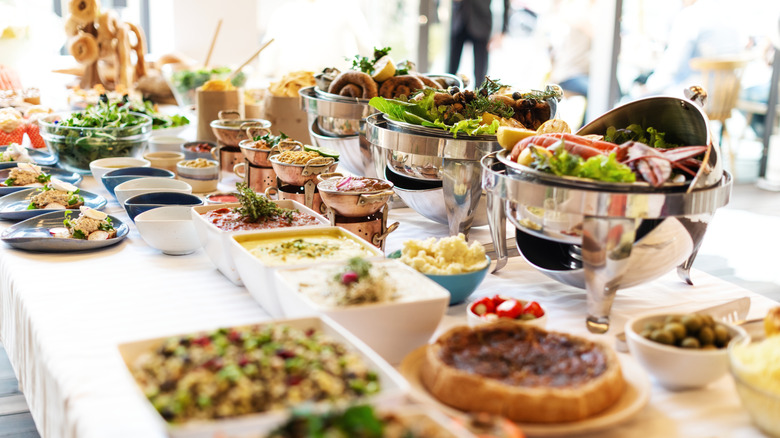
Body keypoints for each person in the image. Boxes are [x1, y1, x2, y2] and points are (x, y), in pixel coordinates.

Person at [643, 0, 750, 96]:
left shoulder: (690, 15)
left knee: (634, 100)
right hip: (724, 99)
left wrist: (649, 87)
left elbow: (673, 67)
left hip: (695, 99)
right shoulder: (730, 16)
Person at [447, 0, 509, 88]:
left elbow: (505, 3)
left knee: (480, 76)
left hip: (482, 22)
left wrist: (502, 31)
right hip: (458, 20)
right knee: (449, 73)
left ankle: (478, 98)